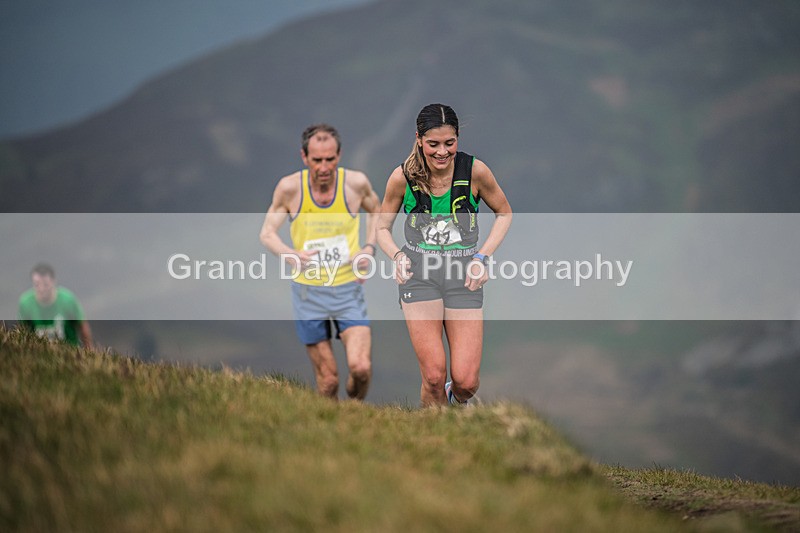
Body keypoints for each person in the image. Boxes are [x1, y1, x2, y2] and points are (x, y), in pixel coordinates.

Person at [377, 104, 512, 407]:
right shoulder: (402, 177)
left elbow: (504, 213)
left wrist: (482, 258)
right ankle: (432, 440)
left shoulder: (475, 171)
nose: (442, 152)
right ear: (419, 139)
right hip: (419, 276)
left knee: (466, 383)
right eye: (433, 144)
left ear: (458, 140)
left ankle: (455, 400)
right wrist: (397, 256)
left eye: (449, 143)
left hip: (464, 277)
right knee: (434, 376)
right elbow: (381, 227)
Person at [260, 124, 380, 400]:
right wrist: (291, 255)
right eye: (317, 160)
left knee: (360, 368)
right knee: (328, 381)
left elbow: (378, 212)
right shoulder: (290, 189)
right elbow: (267, 233)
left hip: (348, 288)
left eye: (330, 159)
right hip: (308, 293)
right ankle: (330, 428)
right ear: (304, 157)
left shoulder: (355, 184)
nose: (324, 167)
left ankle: (354, 408)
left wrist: (368, 249)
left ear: (339, 155)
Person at [17, 263, 93, 348]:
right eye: (37, 284)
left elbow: (82, 326)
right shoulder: (25, 303)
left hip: (70, 353)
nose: (41, 289)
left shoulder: (68, 300)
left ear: (53, 282)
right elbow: (23, 331)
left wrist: (89, 350)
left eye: (45, 284)